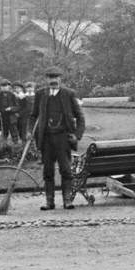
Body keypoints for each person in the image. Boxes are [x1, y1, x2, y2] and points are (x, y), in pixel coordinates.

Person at [31, 67, 85, 210]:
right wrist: (32, 133)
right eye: (50, 77)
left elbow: (80, 117)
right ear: (46, 79)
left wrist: (77, 135)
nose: (53, 80)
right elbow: (33, 116)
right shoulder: (40, 94)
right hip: (47, 139)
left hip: (63, 138)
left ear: (60, 78)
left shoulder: (68, 94)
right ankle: (50, 202)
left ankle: (67, 200)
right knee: (48, 171)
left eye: (56, 77)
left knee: (66, 170)